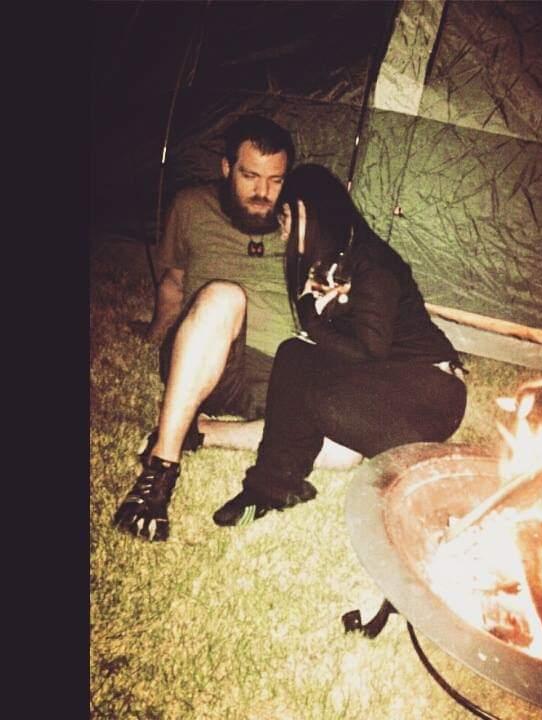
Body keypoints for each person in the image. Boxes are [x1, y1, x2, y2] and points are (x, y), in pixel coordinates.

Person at [212, 163, 468, 527]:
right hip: (386, 377)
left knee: (323, 399)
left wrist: (312, 319)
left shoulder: (373, 265)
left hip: (432, 392)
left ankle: (427, 478)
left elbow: (368, 352)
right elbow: (337, 347)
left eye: (286, 219)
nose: (282, 232)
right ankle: (272, 485)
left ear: (307, 214)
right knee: (293, 353)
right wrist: (313, 326)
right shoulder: (331, 261)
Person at [113, 115, 298, 542]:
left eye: (275, 180)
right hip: (210, 355)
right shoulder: (191, 205)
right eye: (250, 176)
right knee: (222, 297)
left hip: (281, 371)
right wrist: (155, 335)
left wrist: (301, 243)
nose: (263, 192)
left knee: (349, 447)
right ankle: (160, 469)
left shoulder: (298, 219)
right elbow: (174, 281)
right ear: (226, 168)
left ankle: (205, 433)